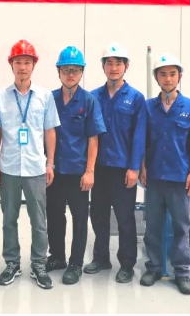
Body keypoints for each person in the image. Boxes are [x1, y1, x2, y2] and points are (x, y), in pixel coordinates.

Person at [0, 39, 61, 290]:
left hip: (35, 168)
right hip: (9, 167)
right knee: (8, 219)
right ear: (11, 65)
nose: (22, 67)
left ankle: (39, 264)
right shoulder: (0, 97)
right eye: (18, 62)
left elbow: (50, 131)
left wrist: (50, 164)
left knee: (39, 221)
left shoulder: (44, 97)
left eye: (27, 62)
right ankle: (12, 263)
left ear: (34, 65)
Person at [139, 52, 190, 295]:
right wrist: (142, 168)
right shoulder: (148, 107)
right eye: (163, 74)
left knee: (181, 227)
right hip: (155, 178)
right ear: (156, 77)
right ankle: (155, 267)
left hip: (179, 178)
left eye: (172, 74)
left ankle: (182, 272)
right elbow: (142, 141)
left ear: (179, 77)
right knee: (153, 226)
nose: (167, 78)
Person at [85, 43, 146, 284]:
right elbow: (89, 134)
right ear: (103, 67)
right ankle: (101, 258)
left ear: (126, 66)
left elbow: (139, 136)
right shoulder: (93, 96)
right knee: (98, 215)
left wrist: (134, 167)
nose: (113, 68)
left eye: (118, 63)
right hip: (99, 168)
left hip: (123, 170)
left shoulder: (136, 99)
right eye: (109, 63)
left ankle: (127, 264)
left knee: (125, 218)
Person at [46, 46, 105, 285]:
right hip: (54, 170)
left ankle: (75, 263)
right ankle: (57, 257)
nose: (70, 74)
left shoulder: (89, 101)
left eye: (75, 70)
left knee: (79, 219)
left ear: (82, 72)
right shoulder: (49, 99)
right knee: (54, 216)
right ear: (58, 71)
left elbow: (93, 138)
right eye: (66, 70)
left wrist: (90, 171)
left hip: (78, 172)